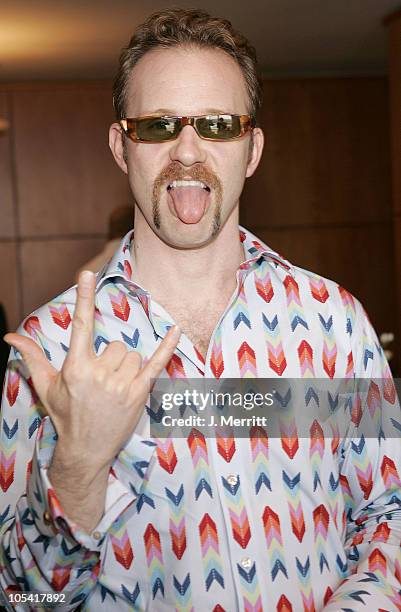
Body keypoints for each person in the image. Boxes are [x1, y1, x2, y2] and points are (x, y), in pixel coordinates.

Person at [1, 7, 401, 611]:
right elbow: (22, 600)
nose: (188, 150)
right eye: (159, 126)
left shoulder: (334, 322)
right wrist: (78, 467)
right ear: (121, 146)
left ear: (252, 148)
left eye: (217, 124)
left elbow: (389, 517)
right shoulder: (51, 351)